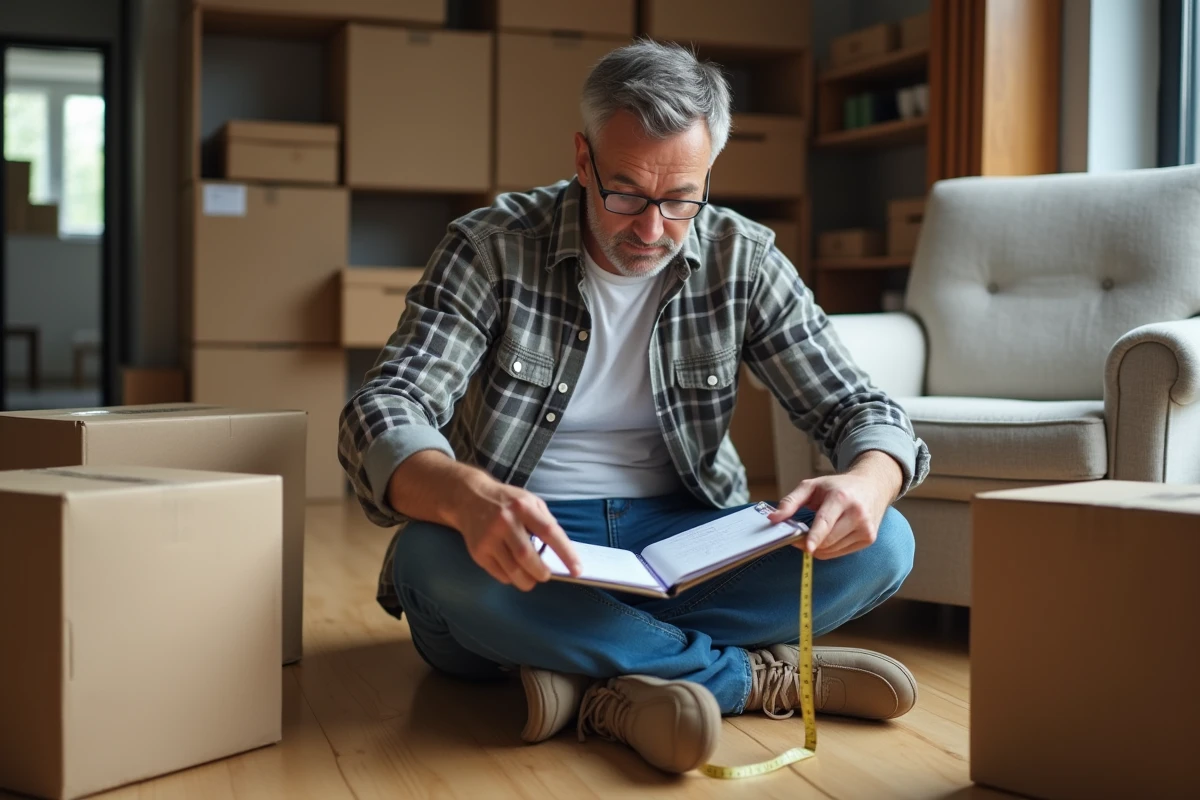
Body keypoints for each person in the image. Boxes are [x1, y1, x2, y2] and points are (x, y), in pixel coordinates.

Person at [338, 39, 931, 774]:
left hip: (685, 540)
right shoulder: (491, 246)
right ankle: (747, 678)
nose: (650, 229)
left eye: (681, 199)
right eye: (625, 192)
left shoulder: (742, 257)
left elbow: (860, 407)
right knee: (432, 556)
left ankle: (581, 672)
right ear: (582, 159)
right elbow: (386, 406)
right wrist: (465, 496)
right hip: (528, 541)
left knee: (888, 539)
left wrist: (866, 481)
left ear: (709, 170)